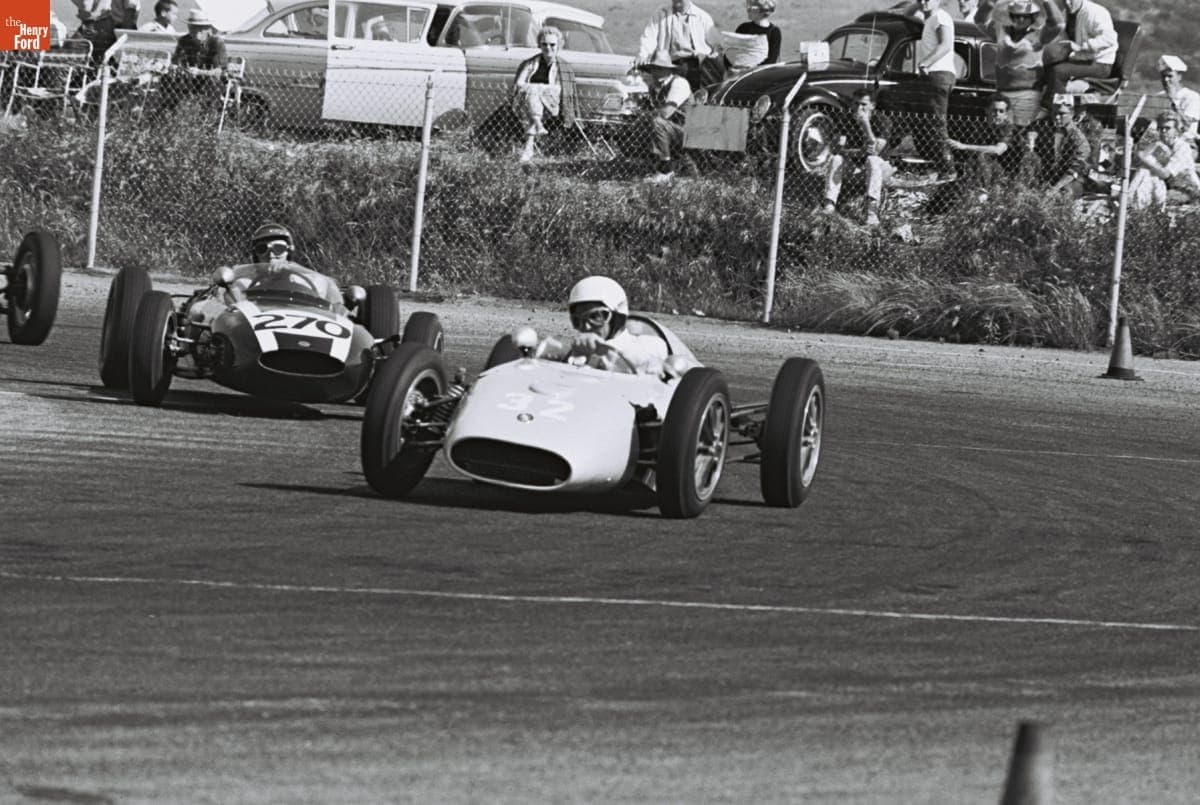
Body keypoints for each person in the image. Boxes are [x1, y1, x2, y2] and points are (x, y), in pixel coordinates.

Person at [540, 276, 669, 374]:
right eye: (577, 320)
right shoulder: (578, 350)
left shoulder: (649, 345)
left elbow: (644, 362)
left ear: (617, 317)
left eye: (595, 317)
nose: (586, 327)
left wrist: (601, 350)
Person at [818, 89, 895, 227]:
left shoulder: (883, 120)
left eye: (863, 104)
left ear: (872, 105)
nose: (859, 108)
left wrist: (866, 125)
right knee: (836, 159)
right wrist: (859, 152)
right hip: (855, 168)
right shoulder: (846, 120)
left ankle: (871, 212)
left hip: (880, 168)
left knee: (872, 160)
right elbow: (836, 149)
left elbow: (875, 151)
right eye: (856, 103)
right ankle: (829, 204)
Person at [511, 26, 580, 163]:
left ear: (558, 45)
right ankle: (535, 129)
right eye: (544, 44)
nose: (548, 48)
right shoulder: (531, 63)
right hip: (527, 104)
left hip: (551, 104)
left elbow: (559, 89)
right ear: (539, 45)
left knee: (533, 91)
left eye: (552, 44)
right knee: (532, 94)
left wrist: (538, 89)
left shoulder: (562, 67)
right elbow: (519, 83)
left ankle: (532, 138)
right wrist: (535, 89)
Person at [992, 0, 1064, 127]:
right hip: (1002, 94)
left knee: (1023, 130)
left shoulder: (1039, 34)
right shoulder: (1001, 31)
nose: (1021, 19)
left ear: (1032, 18)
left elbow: (1058, 24)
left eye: (1025, 17)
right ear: (1012, 16)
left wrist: (1047, 2)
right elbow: (980, 21)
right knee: (1001, 131)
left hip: (1027, 95)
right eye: (1017, 16)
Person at [1041, 0, 1117, 112]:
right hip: (1082, 59)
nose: (1068, 3)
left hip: (1101, 64)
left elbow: (1110, 39)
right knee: (1047, 64)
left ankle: (1060, 111)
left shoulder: (1095, 12)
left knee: (1059, 71)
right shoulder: (1068, 12)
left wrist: (1082, 46)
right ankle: (1046, 107)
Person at [946, 93, 1035, 187]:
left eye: (1001, 111)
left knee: (981, 156)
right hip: (987, 167)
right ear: (987, 110)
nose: (997, 114)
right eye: (994, 110)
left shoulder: (1008, 128)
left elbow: (998, 150)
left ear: (1006, 114)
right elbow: (970, 153)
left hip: (1010, 170)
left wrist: (963, 146)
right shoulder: (979, 128)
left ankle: (983, 191)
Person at [638, 50, 696, 184]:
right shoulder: (654, 87)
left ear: (668, 70)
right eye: (653, 68)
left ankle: (666, 170)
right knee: (641, 124)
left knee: (657, 122)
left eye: (659, 68)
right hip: (672, 128)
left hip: (688, 129)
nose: (654, 72)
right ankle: (650, 163)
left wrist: (646, 114)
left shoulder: (679, 83)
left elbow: (666, 113)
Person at [637, 0, 722, 91]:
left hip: (697, 65)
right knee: (670, 92)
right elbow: (649, 36)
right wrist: (643, 54)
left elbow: (716, 43)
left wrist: (715, 53)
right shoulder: (661, 14)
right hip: (670, 65)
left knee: (699, 94)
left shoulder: (703, 17)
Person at [915, 0, 958, 180]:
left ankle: (949, 170)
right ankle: (938, 167)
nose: (923, 2)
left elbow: (946, 44)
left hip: (938, 74)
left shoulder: (940, 16)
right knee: (930, 124)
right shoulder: (930, 19)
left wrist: (925, 63)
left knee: (937, 125)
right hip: (934, 75)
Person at [1128, 112, 1200, 210]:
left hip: (1186, 189)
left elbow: (1166, 174)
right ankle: (1134, 206)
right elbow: (1138, 162)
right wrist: (1132, 150)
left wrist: (1144, 159)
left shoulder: (1183, 147)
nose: (1163, 131)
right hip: (1168, 186)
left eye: (1167, 128)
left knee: (1146, 172)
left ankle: (1132, 205)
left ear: (1176, 130)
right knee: (1144, 171)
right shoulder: (1159, 145)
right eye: (1161, 128)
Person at [161, 9, 229, 108]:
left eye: (200, 28)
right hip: (189, 78)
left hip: (209, 79)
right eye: (192, 28)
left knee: (213, 81)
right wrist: (175, 68)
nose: (196, 31)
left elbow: (220, 71)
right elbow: (175, 61)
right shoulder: (184, 40)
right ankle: (169, 109)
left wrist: (199, 72)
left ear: (208, 29)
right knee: (167, 77)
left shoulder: (216, 43)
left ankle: (210, 112)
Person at [1033, 94, 1091, 198]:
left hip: (1069, 181)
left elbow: (1075, 169)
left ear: (1072, 114)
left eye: (1062, 114)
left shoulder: (1079, 140)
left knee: (1066, 193)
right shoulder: (1046, 131)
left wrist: (1054, 189)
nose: (1057, 117)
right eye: (1055, 113)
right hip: (1047, 177)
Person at [1154, 55, 1200, 158]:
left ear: (1179, 77)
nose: (1166, 80)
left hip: (1184, 144)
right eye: (1163, 76)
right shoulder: (1159, 96)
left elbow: (1186, 125)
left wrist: (1173, 100)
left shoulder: (1191, 97)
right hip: (1159, 143)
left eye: (1170, 76)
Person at [732, 0, 781, 67]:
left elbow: (771, 60)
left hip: (761, 71)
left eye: (751, 8)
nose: (747, 10)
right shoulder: (743, 28)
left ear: (762, 10)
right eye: (747, 6)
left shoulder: (774, 32)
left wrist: (748, 67)